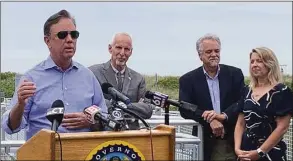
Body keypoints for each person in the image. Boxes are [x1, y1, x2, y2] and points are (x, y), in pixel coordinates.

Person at [1, 9, 108, 141]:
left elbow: (104, 117)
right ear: (47, 41)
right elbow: (10, 127)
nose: (70, 40)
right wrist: (20, 106)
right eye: (62, 35)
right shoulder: (31, 78)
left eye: (74, 35)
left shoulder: (88, 77)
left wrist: (90, 120)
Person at [178, 33, 245, 161]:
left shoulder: (235, 74)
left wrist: (224, 116)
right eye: (209, 51)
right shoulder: (188, 80)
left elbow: (242, 101)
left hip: (234, 138)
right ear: (200, 55)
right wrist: (209, 119)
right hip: (205, 141)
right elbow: (184, 108)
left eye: (217, 51)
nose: (214, 54)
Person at [234, 47, 293, 161]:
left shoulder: (282, 92)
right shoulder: (247, 91)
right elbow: (240, 123)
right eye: (252, 61)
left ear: (270, 63)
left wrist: (260, 152)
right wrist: (237, 149)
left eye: (259, 61)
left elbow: (282, 127)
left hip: (271, 153)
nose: (255, 65)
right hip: (245, 153)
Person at [89, 32, 152, 130]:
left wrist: (123, 107)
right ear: (110, 48)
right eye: (118, 47)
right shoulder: (93, 73)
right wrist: (133, 106)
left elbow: (147, 110)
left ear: (131, 52)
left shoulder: (138, 79)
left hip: (131, 136)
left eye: (127, 49)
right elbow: (89, 103)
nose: (122, 53)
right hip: (102, 135)